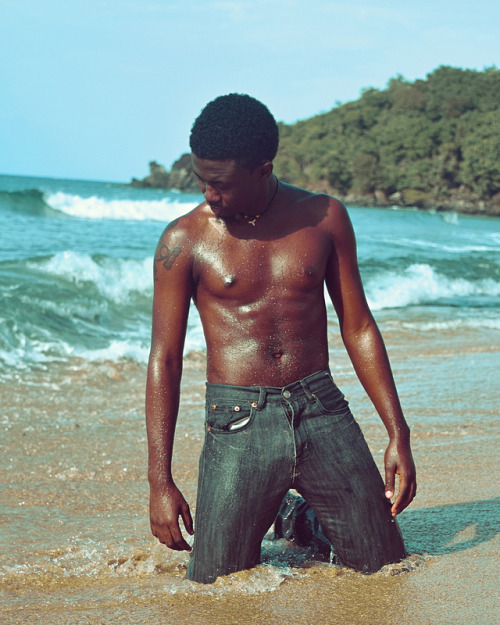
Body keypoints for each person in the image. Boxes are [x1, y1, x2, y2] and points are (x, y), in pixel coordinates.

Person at [146, 94, 417, 584]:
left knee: (384, 568)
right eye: (202, 181)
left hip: (321, 406)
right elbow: (164, 358)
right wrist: (159, 480)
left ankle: (297, 516)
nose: (210, 194)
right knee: (214, 586)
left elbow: (357, 326)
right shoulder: (183, 240)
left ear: (262, 169)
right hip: (238, 422)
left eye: (221, 184)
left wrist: (398, 432)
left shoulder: (324, 218)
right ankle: (281, 510)